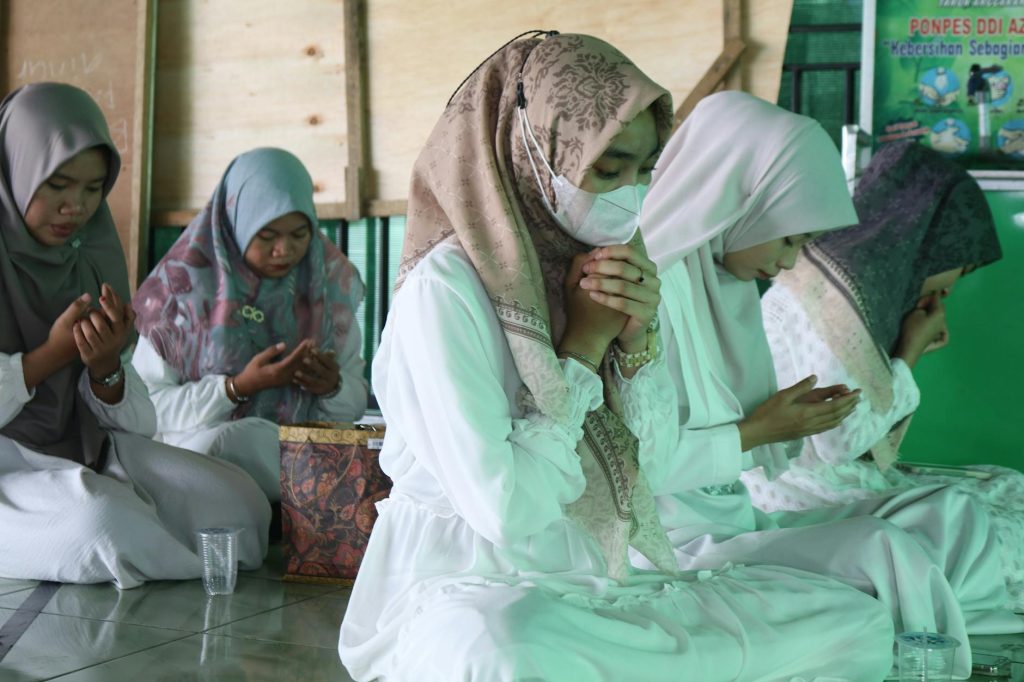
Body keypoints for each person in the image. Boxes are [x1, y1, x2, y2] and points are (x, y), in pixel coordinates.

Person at [338, 32, 894, 682]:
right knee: (501, 648)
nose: (631, 195)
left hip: (591, 579)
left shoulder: (602, 265)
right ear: (530, 154)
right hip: (468, 585)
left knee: (849, 619)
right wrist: (583, 347)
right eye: (609, 169)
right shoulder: (445, 293)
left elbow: (646, 470)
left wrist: (636, 347)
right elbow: (508, 513)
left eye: (645, 170)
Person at [639, 91, 1023, 679]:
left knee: (902, 546)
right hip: (671, 544)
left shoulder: (723, 290)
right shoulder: (645, 299)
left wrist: (780, 424)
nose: (792, 263)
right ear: (741, 202)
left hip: (731, 520)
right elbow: (629, 470)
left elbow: (759, 448)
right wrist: (760, 430)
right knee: (898, 557)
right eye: (789, 238)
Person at [0, 82, 269, 588]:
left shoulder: (89, 257)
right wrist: (50, 355)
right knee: (97, 525)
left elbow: (140, 422)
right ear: (15, 167)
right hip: (6, 466)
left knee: (240, 506)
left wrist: (105, 371)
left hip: (84, 446)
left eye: (92, 187)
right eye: (57, 184)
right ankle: (153, 543)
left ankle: (149, 542)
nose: (76, 206)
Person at [746, 140, 1024, 612]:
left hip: (816, 476)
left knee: (1007, 486)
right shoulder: (830, 300)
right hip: (794, 489)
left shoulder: (850, 288)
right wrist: (908, 353)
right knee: (1005, 533)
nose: (954, 283)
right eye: (961, 261)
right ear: (927, 240)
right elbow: (839, 442)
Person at [132, 148, 368, 502]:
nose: (284, 250)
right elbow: (145, 410)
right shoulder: (179, 294)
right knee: (236, 440)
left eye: (299, 234)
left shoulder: (329, 286)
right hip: (200, 469)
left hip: (297, 465)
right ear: (236, 222)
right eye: (267, 235)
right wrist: (236, 388)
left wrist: (332, 386)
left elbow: (354, 403)